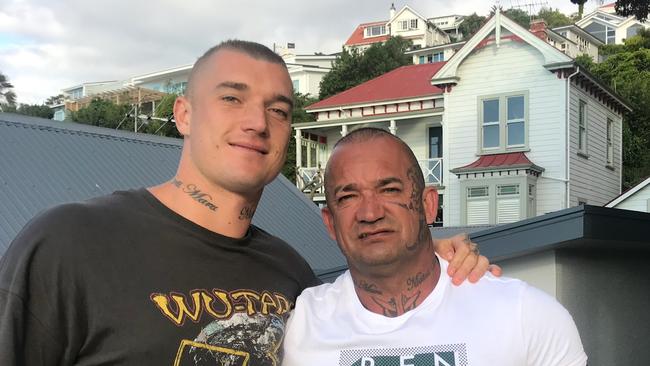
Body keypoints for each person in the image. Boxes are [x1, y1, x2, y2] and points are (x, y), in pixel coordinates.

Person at [0, 41, 494, 365]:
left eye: (277, 110)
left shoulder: (292, 275)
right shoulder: (69, 245)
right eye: (232, 99)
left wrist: (435, 260)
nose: (257, 122)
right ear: (184, 113)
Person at [283, 128, 588, 366]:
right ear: (330, 222)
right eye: (348, 197)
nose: (370, 213)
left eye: (389, 190)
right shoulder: (298, 326)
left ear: (428, 204)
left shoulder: (526, 316)